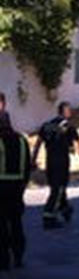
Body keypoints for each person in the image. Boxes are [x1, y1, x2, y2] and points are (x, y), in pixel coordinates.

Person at [32, 102, 79, 228]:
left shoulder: (46, 126)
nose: (71, 112)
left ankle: (65, 208)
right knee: (58, 188)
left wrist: (33, 159)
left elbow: (38, 143)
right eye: (69, 110)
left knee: (56, 187)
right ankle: (49, 215)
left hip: (50, 161)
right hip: (62, 162)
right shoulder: (68, 127)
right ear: (64, 112)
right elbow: (78, 144)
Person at [0, 111, 33, 270]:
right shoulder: (22, 140)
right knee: (16, 223)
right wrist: (23, 185)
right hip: (17, 188)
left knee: (1, 225)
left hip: (1, 188)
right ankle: (18, 256)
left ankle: (4, 259)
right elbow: (28, 165)